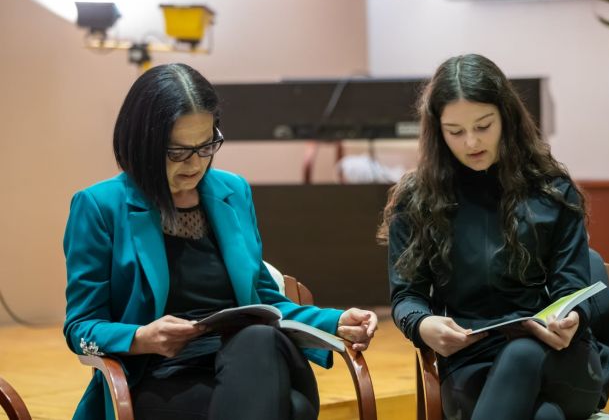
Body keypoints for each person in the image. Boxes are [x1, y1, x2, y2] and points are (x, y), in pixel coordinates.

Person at [63, 63, 378, 420]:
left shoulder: (233, 191)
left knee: (258, 339)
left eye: (206, 145)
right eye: (177, 152)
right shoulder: (99, 206)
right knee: (293, 408)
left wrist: (336, 321)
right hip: (159, 374)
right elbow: (80, 327)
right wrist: (141, 337)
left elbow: (267, 302)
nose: (195, 164)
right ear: (142, 143)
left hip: (254, 360)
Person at [378, 54, 606, 420]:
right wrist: (422, 324)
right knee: (545, 417)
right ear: (438, 132)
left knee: (523, 352)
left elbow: (572, 287)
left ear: (506, 118)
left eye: (483, 126)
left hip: (559, 356)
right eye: (455, 132)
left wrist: (572, 318)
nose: (471, 142)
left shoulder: (551, 190)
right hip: (472, 362)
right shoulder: (417, 200)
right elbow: (407, 295)